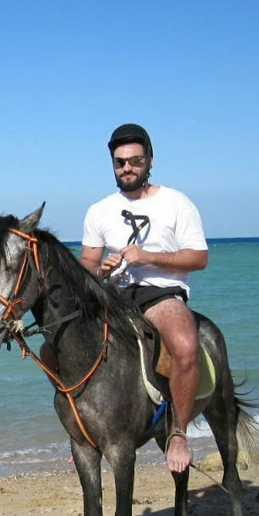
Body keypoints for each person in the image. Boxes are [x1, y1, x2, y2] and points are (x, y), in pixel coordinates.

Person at [80, 124, 209, 474]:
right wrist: (100, 270)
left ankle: (178, 433)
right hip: (115, 294)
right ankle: (83, 431)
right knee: (56, 346)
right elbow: (87, 263)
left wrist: (150, 256)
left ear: (149, 161)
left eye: (135, 160)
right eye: (120, 162)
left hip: (162, 292)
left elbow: (198, 258)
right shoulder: (99, 210)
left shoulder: (176, 202)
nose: (127, 168)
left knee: (184, 344)